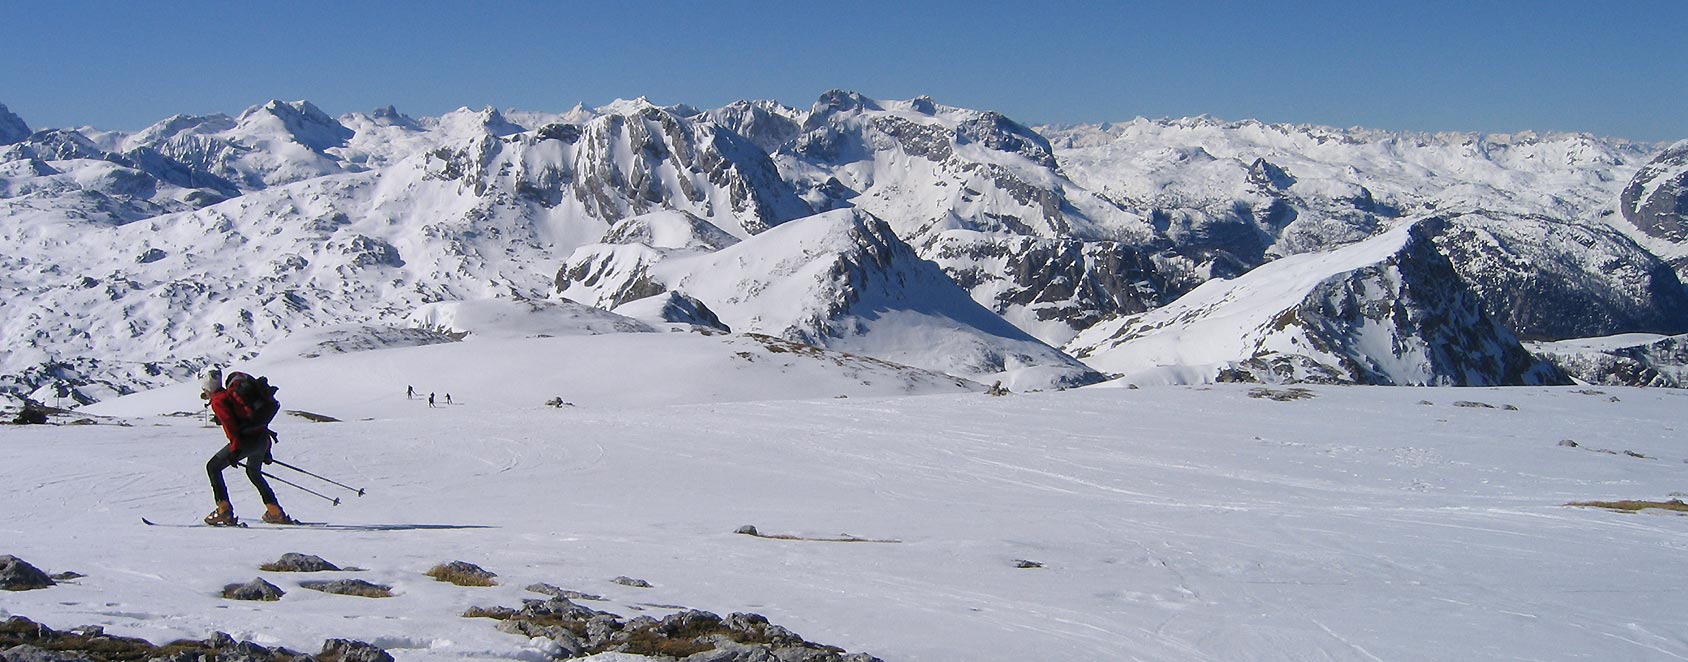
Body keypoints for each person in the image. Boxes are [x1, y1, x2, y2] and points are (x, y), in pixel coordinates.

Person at [204, 372, 296, 525]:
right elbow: (253, 419)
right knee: (253, 472)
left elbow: (230, 426)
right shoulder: (230, 397)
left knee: (213, 467)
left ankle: (223, 510)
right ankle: (275, 512)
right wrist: (266, 450)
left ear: (208, 389)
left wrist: (235, 450)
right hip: (261, 439)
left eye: (204, 391)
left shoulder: (218, 401)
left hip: (246, 441)